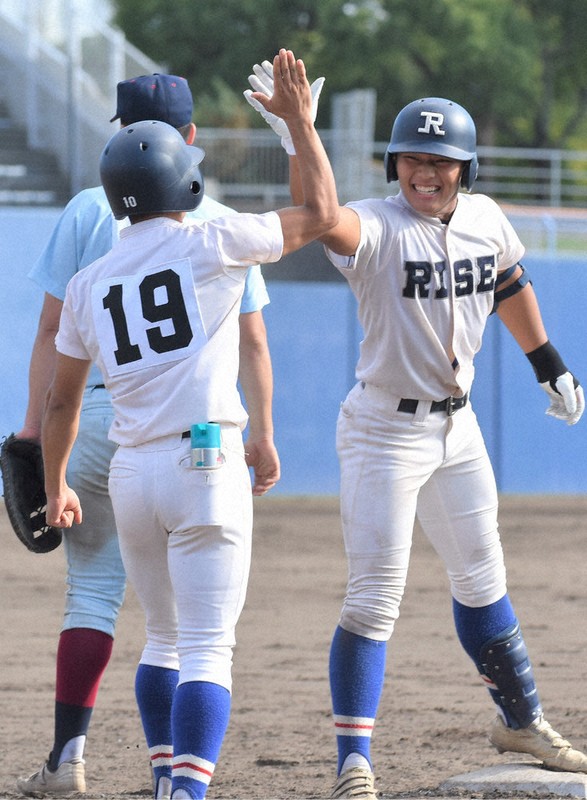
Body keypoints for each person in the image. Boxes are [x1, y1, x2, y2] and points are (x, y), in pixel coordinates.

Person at [246, 74, 587, 798]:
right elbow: (321, 213)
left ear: (466, 169)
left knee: (482, 577)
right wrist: (300, 135)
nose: (424, 173)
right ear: (392, 164)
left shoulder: (487, 216)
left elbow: (507, 282)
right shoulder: (374, 225)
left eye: (439, 162)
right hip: (382, 430)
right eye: (410, 160)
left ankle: (521, 720)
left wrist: (545, 360)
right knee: (374, 599)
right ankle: (352, 765)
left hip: (456, 427)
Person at [40, 48, 338, 800]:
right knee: (208, 645)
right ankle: (188, 791)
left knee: (164, 639)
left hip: (131, 471)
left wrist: (54, 487)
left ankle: (167, 776)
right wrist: (298, 127)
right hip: (205, 458)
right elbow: (323, 216)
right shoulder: (214, 239)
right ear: (190, 177)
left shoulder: (87, 282)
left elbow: (62, 404)